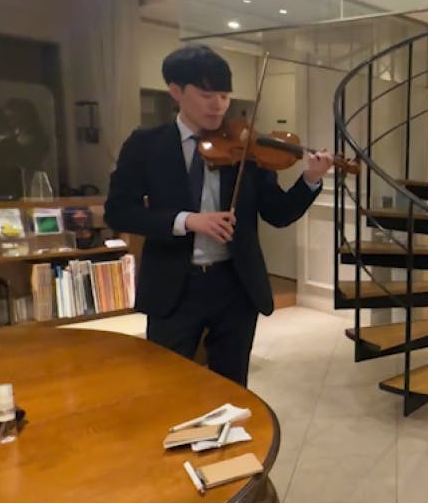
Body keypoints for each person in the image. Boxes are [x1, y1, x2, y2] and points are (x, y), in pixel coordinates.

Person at [105, 45, 333, 387]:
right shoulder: (145, 144)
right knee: (168, 386)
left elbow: (278, 213)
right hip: (174, 287)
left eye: (225, 96)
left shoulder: (246, 146)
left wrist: (310, 179)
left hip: (234, 286)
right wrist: (186, 221)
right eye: (207, 95)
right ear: (176, 91)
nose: (219, 105)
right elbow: (119, 211)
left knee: (232, 386)